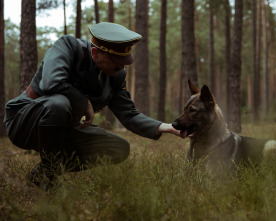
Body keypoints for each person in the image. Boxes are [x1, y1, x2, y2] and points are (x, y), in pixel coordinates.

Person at [4, 22, 180, 191]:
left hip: (63, 130)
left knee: (118, 148)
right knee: (58, 103)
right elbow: (51, 82)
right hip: (24, 121)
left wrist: (165, 127)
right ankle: (50, 176)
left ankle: (43, 172)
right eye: (116, 61)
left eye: (124, 61)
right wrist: (84, 102)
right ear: (95, 53)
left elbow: (129, 115)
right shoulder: (67, 47)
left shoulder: (116, 75)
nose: (122, 66)